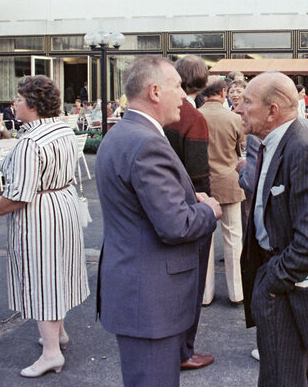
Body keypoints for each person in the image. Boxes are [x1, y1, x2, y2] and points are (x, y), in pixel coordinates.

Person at [96, 57, 221, 386]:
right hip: (150, 302)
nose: (183, 95)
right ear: (154, 91)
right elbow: (176, 226)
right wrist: (209, 209)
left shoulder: (126, 133)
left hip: (141, 296)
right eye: (176, 87)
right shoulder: (146, 142)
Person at [235, 71, 308, 387]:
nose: (239, 108)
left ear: (272, 111)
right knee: (297, 373)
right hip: (282, 281)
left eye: (247, 102)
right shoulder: (277, 139)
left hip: (290, 290)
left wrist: (273, 281)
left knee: (286, 377)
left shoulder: (303, 146)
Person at [0, 75, 90, 377]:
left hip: (40, 214)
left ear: (32, 104)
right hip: (62, 204)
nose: (14, 104)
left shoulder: (31, 141)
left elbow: (19, 196)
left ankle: (51, 352)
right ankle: (59, 333)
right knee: (58, 273)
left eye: (18, 99)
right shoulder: (62, 129)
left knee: (43, 278)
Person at [163, 55, 214, 369]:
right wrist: (208, 206)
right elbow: (198, 175)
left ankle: (173, 345)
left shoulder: (161, 114)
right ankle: (184, 350)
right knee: (191, 282)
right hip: (189, 206)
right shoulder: (193, 118)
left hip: (161, 202)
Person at [199, 78, 245, 306]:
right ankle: (237, 292)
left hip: (203, 186)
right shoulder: (234, 118)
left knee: (204, 240)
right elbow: (242, 149)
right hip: (229, 181)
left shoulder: (196, 116)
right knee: (234, 237)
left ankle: (206, 294)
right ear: (223, 92)